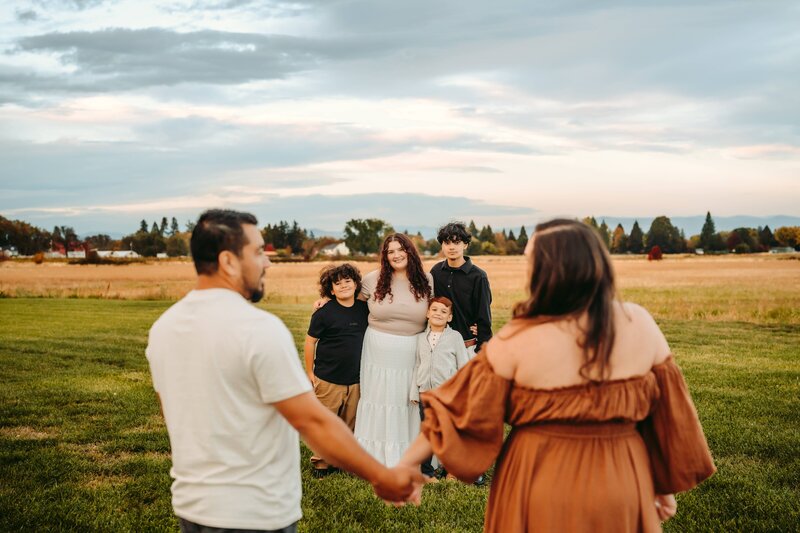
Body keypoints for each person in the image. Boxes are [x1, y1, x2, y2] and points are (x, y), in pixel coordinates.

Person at [400, 218, 716, 532]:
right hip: (620, 478)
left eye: (530, 264)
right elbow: (671, 415)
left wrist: (403, 467)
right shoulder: (639, 322)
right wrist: (663, 487)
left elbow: (456, 409)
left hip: (537, 478)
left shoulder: (519, 337)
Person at [146, 209, 422, 533]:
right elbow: (313, 421)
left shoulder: (163, 328)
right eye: (259, 252)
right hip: (257, 513)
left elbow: (173, 415)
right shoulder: (259, 329)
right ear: (228, 261)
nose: (268, 263)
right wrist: (382, 476)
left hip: (192, 509)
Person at [354, 233, 434, 467]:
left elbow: (437, 310)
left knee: (405, 401)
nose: (396, 255)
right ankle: (374, 454)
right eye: (390, 251)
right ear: (385, 256)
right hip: (377, 349)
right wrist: (324, 302)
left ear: (410, 252)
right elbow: (348, 303)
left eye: (401, 249)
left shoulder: (426, 280)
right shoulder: (372, 279)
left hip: (411, 349)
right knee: (379, 398)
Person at [304, 263, 368, 478]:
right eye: (337, 284)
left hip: (356, 378)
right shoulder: (324, 312)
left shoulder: (364, 309)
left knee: (350, 423)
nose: (343, 286)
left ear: (356, 284)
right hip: (328, 377)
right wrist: (310, 373)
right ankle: (321, 462)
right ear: (330, 290)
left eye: (347, 281)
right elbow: (310, 342)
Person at [409, 296, 469, 479]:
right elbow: (417, 365)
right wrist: (414, 391)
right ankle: (427, 472)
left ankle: (451, 470)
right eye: (434, 310)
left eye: (444, 311)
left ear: (450, 317)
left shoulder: (455, 337)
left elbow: (464, 366)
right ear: (427, 313)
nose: (438, 314)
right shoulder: (420, 338)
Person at [430, 222, 492, 357]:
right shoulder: (436, 272)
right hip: (440, 346)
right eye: (447, 243)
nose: (452, 247)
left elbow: (484, 318)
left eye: (457, 242)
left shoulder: (479, 277)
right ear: (442, 245)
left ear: (465, 244)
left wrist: (481, 352)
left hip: (469, 348)